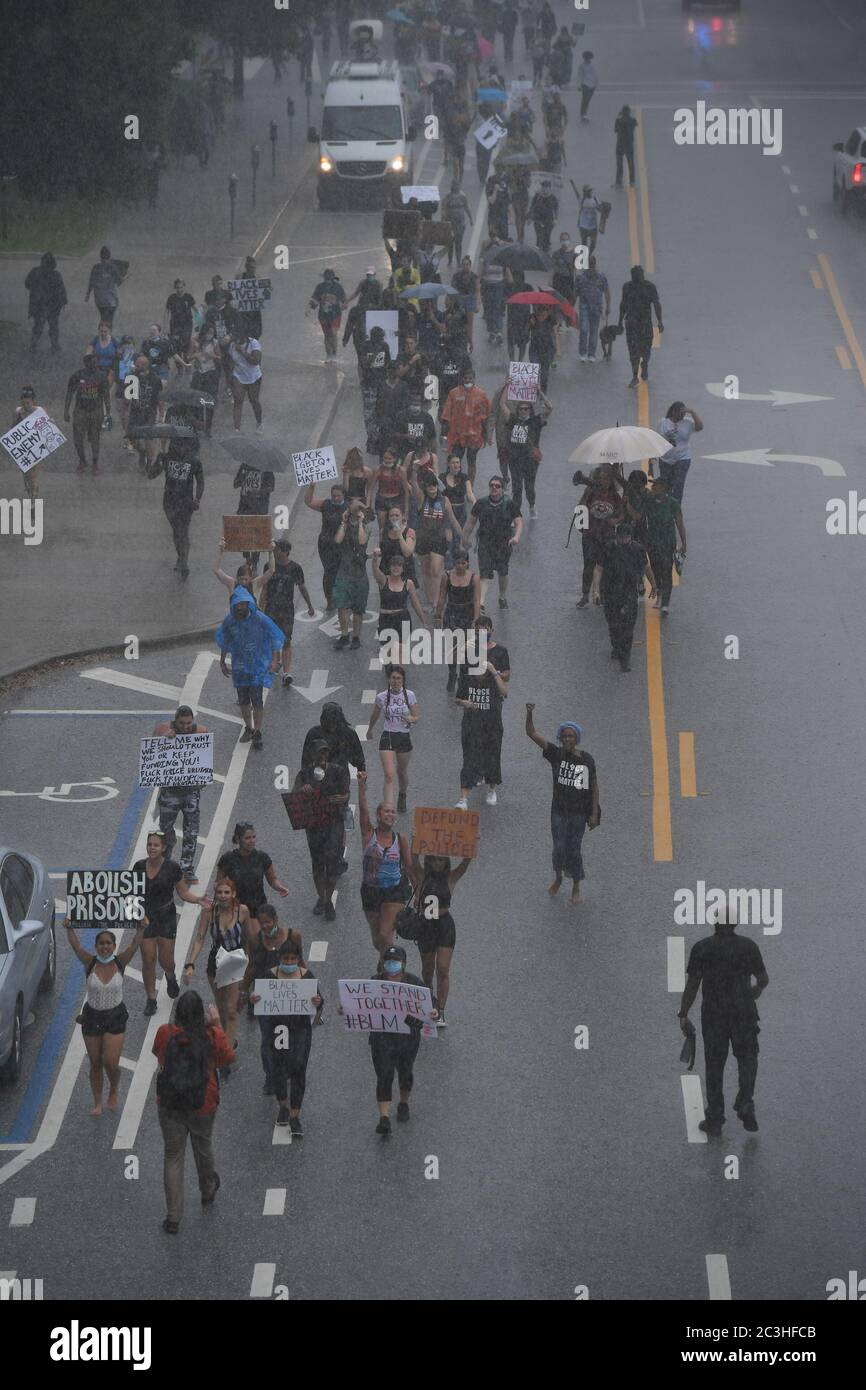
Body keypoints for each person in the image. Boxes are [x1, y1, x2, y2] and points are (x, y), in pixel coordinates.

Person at [678, 909, 769, 1136]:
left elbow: (693, 984)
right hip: (744, 1014)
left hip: (714, 1016)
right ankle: (746, 1100)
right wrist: (755, 990)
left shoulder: (702, 948)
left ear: (714, 923)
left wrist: (683, 1013)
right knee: (748, 1059)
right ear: (736, 924)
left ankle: (715, 1118)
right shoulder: (749, 946)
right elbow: (763, 979)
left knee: (715, 1065)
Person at [153, 990, 235, 1233]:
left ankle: (173, 1216)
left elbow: (159, 1055)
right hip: (203, 1102)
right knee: (203, 1146)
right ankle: (207, 1188)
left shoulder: (166, 1033)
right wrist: (218, 1024)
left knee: (173, 1155)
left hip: (171, 1104)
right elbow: (228, 1057)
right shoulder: (210, 1035)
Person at [337, 944, 438, 1136]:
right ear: (383, 963)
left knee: (405, 1073)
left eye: (396, 961)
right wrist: (344, 1009)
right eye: (388, 961)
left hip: (407, 1039)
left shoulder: (414, 983)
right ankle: (384, 1118)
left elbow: (430, 1004)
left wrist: (433, 1012)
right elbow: (360, 1003)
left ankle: (403, 1102)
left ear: (404, 963)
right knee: (384, 1075)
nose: (392, 964)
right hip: (381, 1039)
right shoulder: (374, 982)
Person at [65, 918, 145, 1114]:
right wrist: (69, 927)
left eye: (109, 943)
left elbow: (135, 944)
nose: (105, 947)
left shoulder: (121, 961)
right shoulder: (89, 962)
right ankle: (97, 1101)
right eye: (101, 943)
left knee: (111, 1062)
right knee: (95, 1062)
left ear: (114, 946)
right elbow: (75, 946)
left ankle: (114, 1089)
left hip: (115, 1017)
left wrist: (141, 927)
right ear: (96, 946)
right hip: (92, 1018)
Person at [524, 708, 599, 904]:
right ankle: (557, 878)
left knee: (574, 849)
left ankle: (576, 886)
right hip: (558, 812)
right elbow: (531, 733)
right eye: (564, 736)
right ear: (560, 738)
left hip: (578, 814)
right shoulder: (555, 754)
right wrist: (529, 713)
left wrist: (593, 814)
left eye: (571, 736)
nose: (567, 739)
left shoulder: (586, 759)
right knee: (558, 848)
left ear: (577, 739)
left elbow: (594, 787)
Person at [249, 940, 323, 1133]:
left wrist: (317, 1001)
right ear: (280, 958)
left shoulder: (307, 977)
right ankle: (283, 1105)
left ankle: (295, 1115)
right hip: (276, 1029)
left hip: (300, 1030)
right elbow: (258, 999)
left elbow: (318, 1002)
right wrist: (253, 998)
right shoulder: (269, 976)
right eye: (285, 958)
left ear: (298, 959)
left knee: (299, 1068)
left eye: (292, 959)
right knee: (278, 1069)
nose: (289, 962)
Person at [135, 829, 210, 1015]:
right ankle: (151, 998)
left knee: (166, 961)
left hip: (166, 917)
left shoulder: (172, 868)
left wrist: (198, 899)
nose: (152, 848)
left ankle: (170, 976)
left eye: (156, 845)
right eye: (150, 844)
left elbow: (183, 893)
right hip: (145, 919)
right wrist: (138, 915)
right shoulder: (138, 867)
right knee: (148, 960)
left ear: (164, 848)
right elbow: (131, 894)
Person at [184, 875, 251, 1060]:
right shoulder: (209, 912)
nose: (222, 896)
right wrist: (190, 963)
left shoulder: (242, 911)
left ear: (233, 894)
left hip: (235, 961)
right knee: (221, 1007)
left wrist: (248, 964)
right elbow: (199, 938)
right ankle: (226, 1039)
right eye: (219, 892)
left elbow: (248, 939)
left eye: (226, 892)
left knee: (231, 1009)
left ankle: (226, 1053)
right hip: (216, 962)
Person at [238, 905, 304, 1090]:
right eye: (261, 923)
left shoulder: (293, 936)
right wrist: (243, 991)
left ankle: (288, 1068)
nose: (265, 926)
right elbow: (251, 967)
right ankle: (270, 1074)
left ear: (276, 919)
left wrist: (311, 992)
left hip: (289, 997)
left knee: (290, 1036)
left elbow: (302, 964)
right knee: (268, 1039)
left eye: (267, 922)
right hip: (265, 999)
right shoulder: (256, 940)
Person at [215, 588, 285, 748]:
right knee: (244, 701)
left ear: (248, 603)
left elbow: (275, 637)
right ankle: (249, 727)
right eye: (237, 605)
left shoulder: (260, 619)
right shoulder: (230, 621)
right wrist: (222, 661)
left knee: (257, 700)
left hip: (257, 667)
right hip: (240, 669)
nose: (239, 608)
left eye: (242, 604)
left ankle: (257, 731)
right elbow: (225, 640)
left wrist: (274, 661)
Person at [455, 614, 510, 807]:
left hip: (492, 714)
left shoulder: (501, 652)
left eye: (485, 628)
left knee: (492, 751)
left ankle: (492, 788)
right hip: (472, 717)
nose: (481, 632)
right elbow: (459, 692)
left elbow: (506, 681)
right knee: (469, 754)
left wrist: (494, 670)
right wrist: (465, 703)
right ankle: (463, 798)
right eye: (477, 629)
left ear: (491, 630)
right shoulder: (468, 653)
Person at [151, 706, 210, 883]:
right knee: (165, 829)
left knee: (191, 831)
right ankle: (166, 859)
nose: (185, 727)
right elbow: (151, 755)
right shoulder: (163, 729)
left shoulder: (201, 732)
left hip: (191, 792)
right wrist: (164, 740)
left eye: (188, 723)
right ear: (175, 721)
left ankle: (187, 868)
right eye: (182, 723)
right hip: (169, 792)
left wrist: (203, 778)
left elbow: (205, 758)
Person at [357, 770, 413, 955]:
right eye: (386, 811)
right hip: (371, 891)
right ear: (379, 816)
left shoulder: (401, 839)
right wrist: (361, 787)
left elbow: (411, 867)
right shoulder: (369, 835)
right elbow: (363, 811)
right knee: (377, 940)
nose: (390, 814)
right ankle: (386, 963)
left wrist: (420, 891)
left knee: (384, 936)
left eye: (393, 811)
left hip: (394, 891)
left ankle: (387, 975)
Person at [146, 433, 204, 578]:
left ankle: (184, 561)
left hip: (186, 503)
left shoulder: (194, 461)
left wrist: (197, 499)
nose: (178, 449)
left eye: (181, 446)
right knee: (177, 531)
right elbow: (151, 475)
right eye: (175, 445)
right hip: (169, 502)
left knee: (182, 531)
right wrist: (155, 462)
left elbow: (200, 481)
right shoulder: (166, 458)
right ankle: (181, 556)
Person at [462, 475, 523, 611]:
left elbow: (519, 522)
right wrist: (464, 538)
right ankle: (481, 604)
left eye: (497, 486)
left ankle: (502, 597)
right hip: (485, 544)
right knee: (484, 574)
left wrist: (517, 537)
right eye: (492, 485)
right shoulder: (481, 503)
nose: (494, 488)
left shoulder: (510, 504)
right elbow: (471, 522)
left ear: (502, 489)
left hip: (503, 544)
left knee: (503, 573)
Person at [260, 539, 315, 686]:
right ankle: (275, 663)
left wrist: (309, 605)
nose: (275, 552)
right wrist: (259, 609)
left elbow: (302, 587)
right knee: (272, 638)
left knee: (286, 640)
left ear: (285, 552)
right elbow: (264, 588)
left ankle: (286, 671)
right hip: (271, 608)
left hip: (286, 609)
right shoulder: (269, 566)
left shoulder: (295, 568)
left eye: (277, 550)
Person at [366, 663, 420, 813]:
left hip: (403, 737)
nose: (396, 681)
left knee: (401, 772)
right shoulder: (381, 697)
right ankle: (388, 809)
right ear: (389, 679)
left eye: (399, 678)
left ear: (403, 680)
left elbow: (417, 716)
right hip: (388, 736)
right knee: (389, 774)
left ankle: (402, 794)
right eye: (393, 678)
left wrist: (411, 719)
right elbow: (375, 714)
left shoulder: (409, 695)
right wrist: (369, 729)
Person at [575, 465, 624, 607]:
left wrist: (615, 520)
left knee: (605, 566)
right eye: (600, 478)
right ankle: (585, 595)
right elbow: (580, 508)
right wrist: (586, 495)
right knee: (588, 565)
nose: (603, 481)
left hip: (607, 536)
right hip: (590, 534)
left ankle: (601, 594)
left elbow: (621, 515)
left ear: (611, 481)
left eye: (606, 479)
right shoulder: (590, 492)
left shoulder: (615, 496)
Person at [600, 522, 647, 670]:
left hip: (629, 593)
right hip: (611, 592)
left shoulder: (637, 550)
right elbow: (599, 568)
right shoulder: (609, 549)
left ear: (630, 537)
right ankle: (616, 646)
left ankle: (625, 657)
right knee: (614, 625)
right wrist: (596, 590)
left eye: (625, 537)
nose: (623, 540)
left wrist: (654, 585)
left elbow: (646, 567)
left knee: (628, 627)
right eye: (620, 537)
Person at [436, 547, 481, 691]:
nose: (460, 566)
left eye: (463, 563)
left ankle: (463, 674)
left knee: (465, 647)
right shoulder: (447, 576)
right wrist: (438, 614)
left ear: (468, 563)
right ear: (454, 563)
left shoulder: (474, 577)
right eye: (458, 563)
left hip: (467, 613)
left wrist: (476, 619)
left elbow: (476, 600)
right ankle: (452, 673)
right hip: (452, 613)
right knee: (452, 646)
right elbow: (442, 597)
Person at [372, 552, 426, 661]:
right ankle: (390, 669)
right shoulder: (383, 580)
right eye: (393, 565)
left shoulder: (408, 583)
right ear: (390, 567)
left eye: (399, 565)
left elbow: (415, 603)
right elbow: (375, 571)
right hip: (386, 620)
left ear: (403, 568)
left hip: (403, 619)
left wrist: (424, 621)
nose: (396, 568)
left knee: (400, 652)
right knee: (388, 651)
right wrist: (375, 559)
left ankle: (398, 673)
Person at [645, 476, 687, 615]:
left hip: (667, 542)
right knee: (655, 568)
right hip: (652, 542)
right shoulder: (649, 501)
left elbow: (679, 523)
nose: (653, 487)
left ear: (663, 488)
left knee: (666, 570)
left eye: (656, 485)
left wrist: (684, 542)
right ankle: (659, 595)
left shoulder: (673, 503)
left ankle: (665, 603)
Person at [64, 348, 110, 475]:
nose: (92, 363)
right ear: (86, 362)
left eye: (94, 360)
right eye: (90, 361)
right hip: (81, 410)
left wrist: (108, 413)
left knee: (95, 438)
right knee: (78, 438)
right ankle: (82, 461)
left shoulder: (101, 376)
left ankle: (95, 463)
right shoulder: (77, 375)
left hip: (96, 410)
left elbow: (106, 395)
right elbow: (70, 392)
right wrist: (66, 411)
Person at [332, 499, 370, 650]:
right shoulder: (344, 525)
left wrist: (361, 522)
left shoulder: (366, 526)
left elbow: (362, 541)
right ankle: (344, 634)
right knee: (341, 605)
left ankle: (356, 636)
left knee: (358, 608)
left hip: (359, 573)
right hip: (344, 571)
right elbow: (337, 540)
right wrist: (343, 522)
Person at [617, 265, 663, 386]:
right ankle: (634, 376)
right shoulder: (627, 287)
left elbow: (656, 304)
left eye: (639, 275)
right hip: (632, 324)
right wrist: (619, 322)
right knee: (633, 352)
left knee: (646, 349)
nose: (637, 278)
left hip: (645, 324)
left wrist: (660, 321)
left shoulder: (650, 287)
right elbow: (623, 305)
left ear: (643, 275)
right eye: (634, 276)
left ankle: (645, 364)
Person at [304, 480, 346, 611]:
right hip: (326, 544)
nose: (335, 498)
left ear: (344, 495)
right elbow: (309, 502)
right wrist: (311, 487)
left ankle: (344, 597)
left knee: (344, 572)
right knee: (329, 572)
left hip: (343, 545)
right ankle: (330, 599)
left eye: (338, 496)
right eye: (333, 495)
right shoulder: (326, 504)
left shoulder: (349, 507)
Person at [500, 399, 545, 517]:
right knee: (517, 487)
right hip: (515, 460)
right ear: (518, 410)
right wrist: (507, 387)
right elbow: (502, 404)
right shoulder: (513, 420)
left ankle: (532, 504)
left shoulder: (535, 421)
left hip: (530, 461)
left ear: (530, 410)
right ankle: (516, 514)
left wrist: (540, 392)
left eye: (526, 409)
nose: (524, 411)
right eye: (521, 409)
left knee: (529, 487)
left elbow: (549, 408)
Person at [657, 402, 703, 503]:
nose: (682, 416)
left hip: (683, 458)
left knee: (678, 485)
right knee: (666, 485)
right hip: (666, 459)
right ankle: (667, 507)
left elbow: (700, 427)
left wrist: (692, 412)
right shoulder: (663, 423)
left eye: (684, 414)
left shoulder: (688, 422)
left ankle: (676, 508)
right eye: (680, 414)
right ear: (673, 412)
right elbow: (657, 441)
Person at [25, 251, 67, 353]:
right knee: (53, 326)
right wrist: (64, 301)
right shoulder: (56, 275)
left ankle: (33, 345)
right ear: (53, 263)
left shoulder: (35, 272)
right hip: (52, 305)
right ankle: (54, 345)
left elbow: (27, 284)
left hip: (39, 305)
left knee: (38, 326)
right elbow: (62, 290)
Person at [126, 355, 163, 472]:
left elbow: (159, 397)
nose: (135, 366)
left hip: (149, 412)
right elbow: (127, 398)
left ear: (144, 366)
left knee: (148, 439)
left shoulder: (155, 379)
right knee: (133, 438)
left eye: (137, 365)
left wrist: (161, 412)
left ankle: (149, 462)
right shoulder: (132, 377)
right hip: (135, 412)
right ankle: (142, 452)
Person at [223, 328, 263, 429]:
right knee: (238, 402)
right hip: (238, 376)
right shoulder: (232, 345)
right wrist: (228, 383)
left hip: (253, 377)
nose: (235, 340)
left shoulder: (254, 343)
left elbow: (256, 361)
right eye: (234, 337)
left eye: (237, 337)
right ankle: (237, 429)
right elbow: (230, 363)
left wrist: (242, 351)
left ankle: (259, 422)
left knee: (254, 400)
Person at [575, 255, 610, 363]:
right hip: (584, 306)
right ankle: (582, 352)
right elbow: (576, 292)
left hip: (597, 307)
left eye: (592, 265)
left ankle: (591, 354)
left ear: (595, 265)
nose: (591, 267)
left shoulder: (601, 277)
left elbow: (607, 292)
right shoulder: (581, 278)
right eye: (589, 265)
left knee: (594, 331)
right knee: (584, 330)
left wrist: (608, 306)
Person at [309, 268, 346, 363]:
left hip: (335, 315)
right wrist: (309, 308)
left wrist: (343, 305)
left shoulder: (338, 287)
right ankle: (328, 354)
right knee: (327, 335)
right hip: (323, 315)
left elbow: (344, 301)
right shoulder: (320, 287)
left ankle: (334, 354)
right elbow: (315, 301)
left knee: (333, 334)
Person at [85, 246, 123, 328]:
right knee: (108, 320)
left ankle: (104, 333)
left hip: (99, 300)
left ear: (100, 256)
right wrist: (124, 277)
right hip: (111, 299)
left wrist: (87, 294)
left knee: (104, 317)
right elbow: (119, 282)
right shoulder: (112, 267)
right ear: (109, 256)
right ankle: (105, 335)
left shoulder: (96, 267)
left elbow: (91, 282)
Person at [527, 305, 558, 396]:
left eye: (544, 314)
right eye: (539, 315)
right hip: (534, 350)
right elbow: (526, 331)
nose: (541, 317)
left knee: (544, 375)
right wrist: (530, 324)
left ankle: (543, 394)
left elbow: (555, 334)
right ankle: (535, 392)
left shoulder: (551, 320)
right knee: (534, 372)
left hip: (547, 350)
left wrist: (557, 349)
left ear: (548, 313)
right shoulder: (532, 319)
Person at [442, 182, 474, 267]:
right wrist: (443, 221)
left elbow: (467, 207)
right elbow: (444, 208)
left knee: (458, 243)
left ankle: (459, 261)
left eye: (457, 185)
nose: (455, 187)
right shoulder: (447, 196)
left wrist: (470, 219)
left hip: (460, 223)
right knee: (450, 243)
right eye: (454, 185)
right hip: (450, 223)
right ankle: (450, 260)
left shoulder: (462, 196)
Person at [165, 278, 196, 361]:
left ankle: (187, 362)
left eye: (181, 287)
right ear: (175, 288)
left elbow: (195, 310)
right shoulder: (172, 298)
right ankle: (179, 368)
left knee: (186, 344)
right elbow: (167, 313)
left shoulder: (188, 297)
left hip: (187, 325)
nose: (179, 289)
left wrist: (199, 323)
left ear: (184, 287)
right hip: (175, 325)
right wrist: (166, 327)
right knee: (176, 345)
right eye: (177, 287)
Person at [528, 180, 558, 252]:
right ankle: (538, 254)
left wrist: (556, 219)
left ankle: (546, 253)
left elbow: (556, 209)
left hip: (549, 221)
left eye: (547, 187)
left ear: (549, 188)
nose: (545, 189)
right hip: (538, 220)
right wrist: (530, 218)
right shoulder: (537, 196)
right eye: (543, 187)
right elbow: (532, 207)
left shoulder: (553, 198)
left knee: (547, 238)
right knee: (539, 238)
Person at [614, 105, 638, 187]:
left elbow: (615, 130)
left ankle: (619, 182)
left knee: (619, 165)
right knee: (631, 164)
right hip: (629, 145)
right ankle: (632, 181)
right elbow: (636, 124)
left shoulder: (619, 121)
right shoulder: (632, 120)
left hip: (620, 145)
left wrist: (618, 117)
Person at [551, 232, 577, 305]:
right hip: (558, 280)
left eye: (566, 239)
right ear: (560, 241)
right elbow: (553, 268)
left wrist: (577, 281)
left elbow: (576, 270)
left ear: (569, 240)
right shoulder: (556, 254)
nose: (564, 241)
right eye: (563, 239)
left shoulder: (574, 254)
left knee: (571, 299)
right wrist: (549, 281)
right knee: (557, 299)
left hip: (568, 280)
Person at [577, 184, 601, 255]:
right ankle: (583, 257)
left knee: (593, 244)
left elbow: (599, 209)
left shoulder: (595, 199)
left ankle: (588, 254)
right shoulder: (582, 200)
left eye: (591, 190)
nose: (591, 192)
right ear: (585, 192)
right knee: (584, 243)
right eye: (589, 191)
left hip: (593, 225)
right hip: (583, 226)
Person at [577, 50, 598, 120]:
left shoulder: (593, 66)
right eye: (586, 58)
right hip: (585, 84)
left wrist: (596, 85)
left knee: (587, 100)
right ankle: (583, 114)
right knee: (585, 99)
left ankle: (583, 113)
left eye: (588, 58)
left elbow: (596, 76)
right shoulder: (581, 66)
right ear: (584, 58)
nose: (587, 59)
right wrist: (579, 86)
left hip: (592, 85)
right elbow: (580, 76)